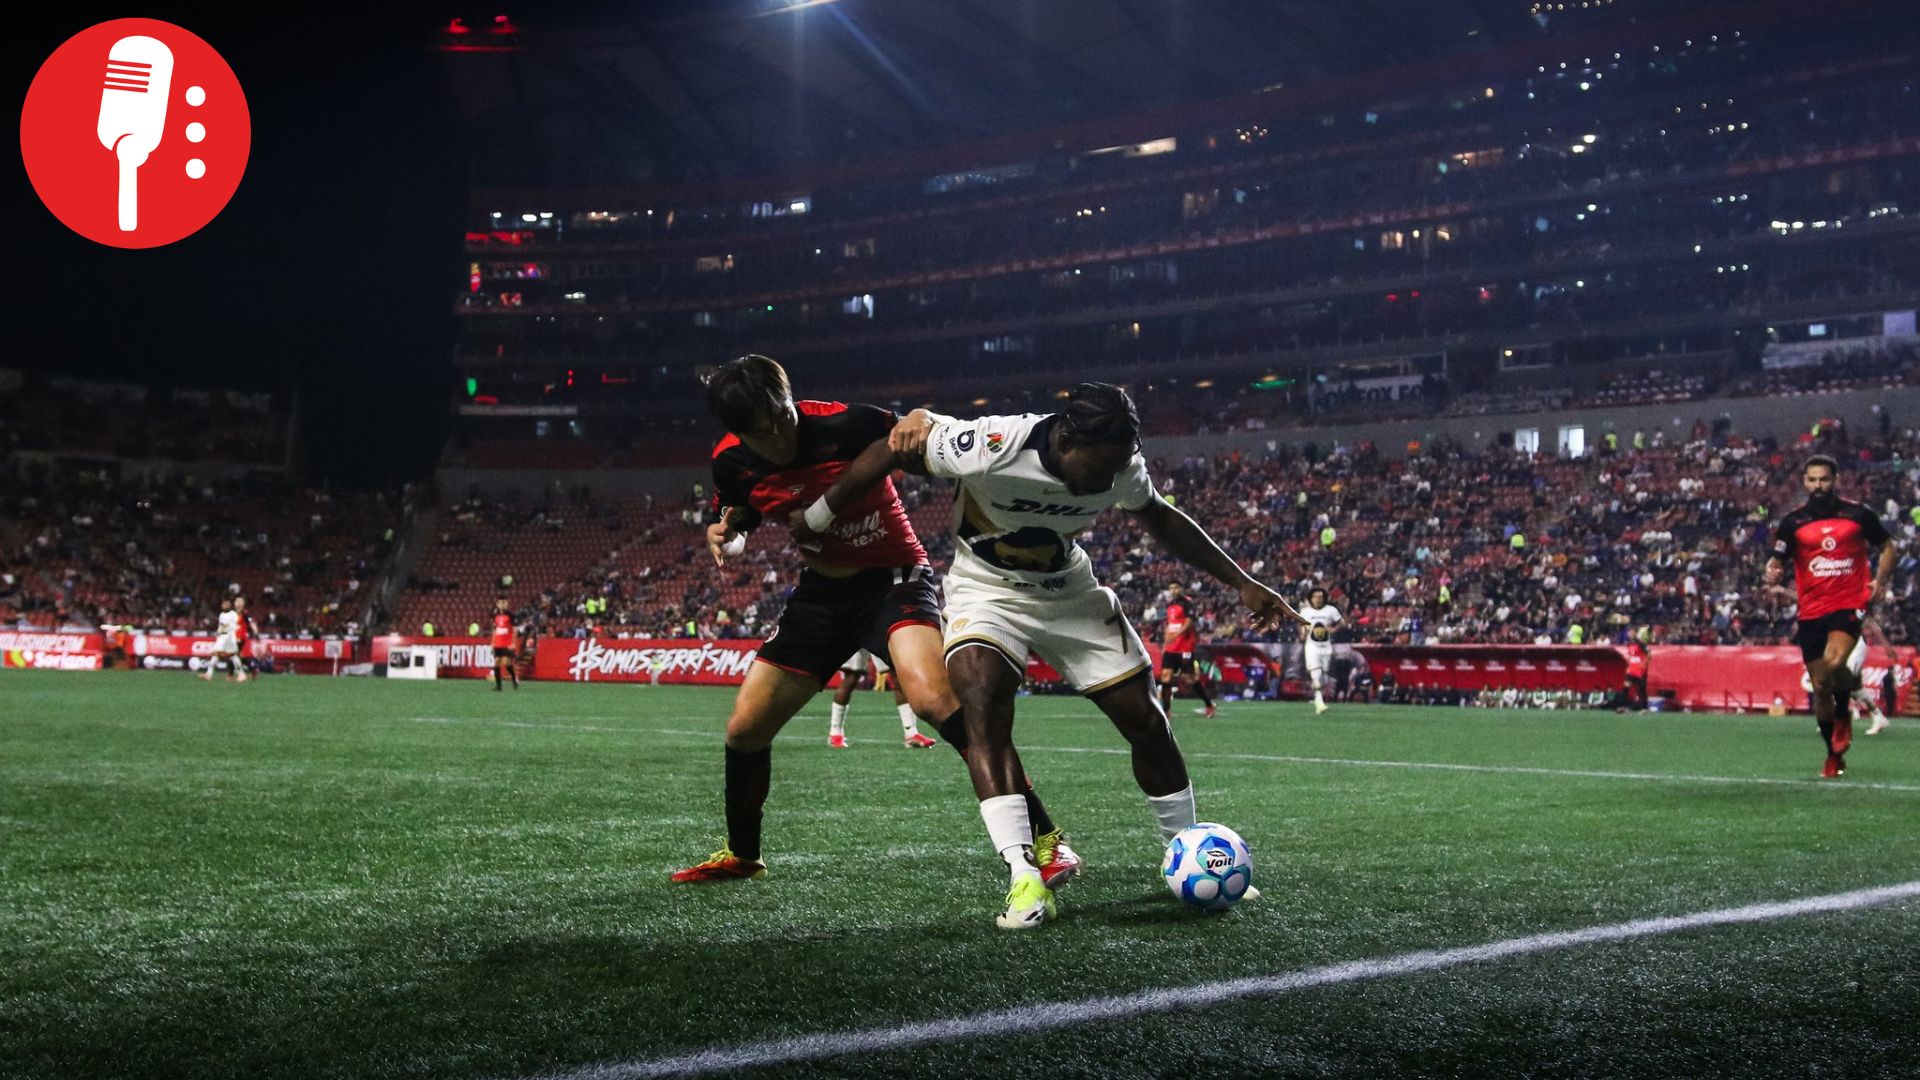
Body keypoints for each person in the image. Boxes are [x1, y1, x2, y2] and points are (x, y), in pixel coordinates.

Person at [806, 382, 1301, 928]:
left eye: (1118, 468)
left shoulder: (1122, 464)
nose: (1108, 481)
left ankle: (1188, 852)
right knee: (984, 711)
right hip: (987, 592)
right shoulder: (992, 442)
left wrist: (1242, 581)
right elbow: (892, 448)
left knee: (1147, 721)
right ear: (1064, 441)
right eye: (1099, 468)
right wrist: (819, 515)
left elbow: (1158, 517)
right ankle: (1024, 877)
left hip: (1069, 593)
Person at [672, 356, 1076, 890]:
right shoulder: (731, 461)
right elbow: (739, 513)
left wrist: (921, 413)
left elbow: (921, 432)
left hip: (893, 581)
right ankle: (743, 855)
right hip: (820, 596)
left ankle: (1048, 841)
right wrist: (727, 534)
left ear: (790, 399)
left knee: (938, 702)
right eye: (762, 434)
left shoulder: (845, 423)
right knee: (745, 731)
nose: (777, 437)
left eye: (782, 418)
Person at [1763, 454, 1897, 778]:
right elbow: (1776, 560)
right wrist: (1772, 571)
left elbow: (1888, 545)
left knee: (1836, 661)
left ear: (1836, 479)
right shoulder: (1793, 523)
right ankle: (1832, 755)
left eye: (1824, 479)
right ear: (1805, 482)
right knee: (1820, 684)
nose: (1818, 485)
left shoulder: (1859, 515)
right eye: (1812, 480)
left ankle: (1843, 716)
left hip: (1849, 602)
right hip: (1811, 610)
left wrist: (1881, 580)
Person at [829, 649, 937, 749]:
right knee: (851, 677)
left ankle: (911, 733)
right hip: (855, 630)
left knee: (897, 675)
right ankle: (835, 733)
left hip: (878, 630)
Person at [1158, 581, 1217, 718]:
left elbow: (1189, 623)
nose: (1173, 590)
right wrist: (1166, 643)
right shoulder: (1170, 605)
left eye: (1176, 587)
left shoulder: (1187, 603)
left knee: (1189, 678)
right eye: (1171, 588)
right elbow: (1169, 624)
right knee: (1165, 676)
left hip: (1185, 646)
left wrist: (1176, 636)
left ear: (1181, 588)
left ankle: (1209, 705)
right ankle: (1166, 711)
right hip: (1171, 647)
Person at [1298, 587, 1342, 714]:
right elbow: (1303, 625)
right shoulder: (1305, 611)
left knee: (1323, 677)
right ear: (1311, 599)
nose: (1318, 599)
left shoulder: (1331, 611)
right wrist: (1303, 633)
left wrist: (1334, 629)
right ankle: (1320, 702)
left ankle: (1318, 700)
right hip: (1312, 647)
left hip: (1326, 647)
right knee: (1315, 674)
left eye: (1321, 597)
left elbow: (1342, 622)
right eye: (1316, 597)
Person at [203, 598, 240, 682]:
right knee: (216, 654)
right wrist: (218, 632)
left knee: (232, 655)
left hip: (229, 636)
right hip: (222, 637)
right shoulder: (222, 615)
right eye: (223, 604)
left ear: (230, 605)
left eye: (226, 604)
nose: (224, 605)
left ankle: (240, 674)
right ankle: (209, 674)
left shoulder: (233, 614)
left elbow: (228, 625)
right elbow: (221, 625)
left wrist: (220, 630)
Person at [490, 597, 521, 691]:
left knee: (506, 662)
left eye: (504, 602)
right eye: (500, 603)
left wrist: (513, 643)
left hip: (507, 643)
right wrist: (492, 643)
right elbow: (494, 630)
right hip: (498, 643)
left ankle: (514, 680)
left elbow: (515, 631)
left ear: (507, 604)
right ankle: (498, 686)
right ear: (497, 604)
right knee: (496, 663)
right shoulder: (495, 615)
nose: (502, 604)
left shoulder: (511, 615)